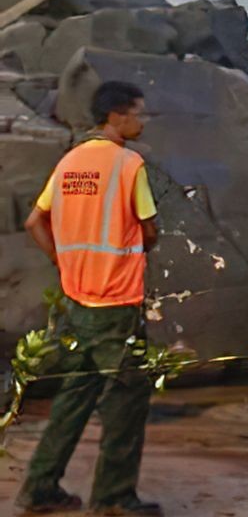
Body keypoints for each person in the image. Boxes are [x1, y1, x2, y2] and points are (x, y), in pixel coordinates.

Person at [15, 81, 162, 516]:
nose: (143, 120)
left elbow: (33, 222)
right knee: (126, 397)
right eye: (139, 112)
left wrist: (63, 262)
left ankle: (39, 486)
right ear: (116, 116)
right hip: (115, 302)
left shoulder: (70, 162)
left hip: (76, 300)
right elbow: (149, 229)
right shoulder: (128, 165)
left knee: (75, 394)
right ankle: (113, 497)